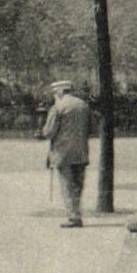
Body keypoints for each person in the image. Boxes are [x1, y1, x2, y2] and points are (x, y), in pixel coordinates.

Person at [42, 79, 91, 228]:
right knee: (78, 184)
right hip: (81, 151)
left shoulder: (57, 108)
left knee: (67, 185)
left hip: (63, 153)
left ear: (60, 92)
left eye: (55, 93)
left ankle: (74, 216)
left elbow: (49, 132)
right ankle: (76, 212)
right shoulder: (84, 106)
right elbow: (92, 127)